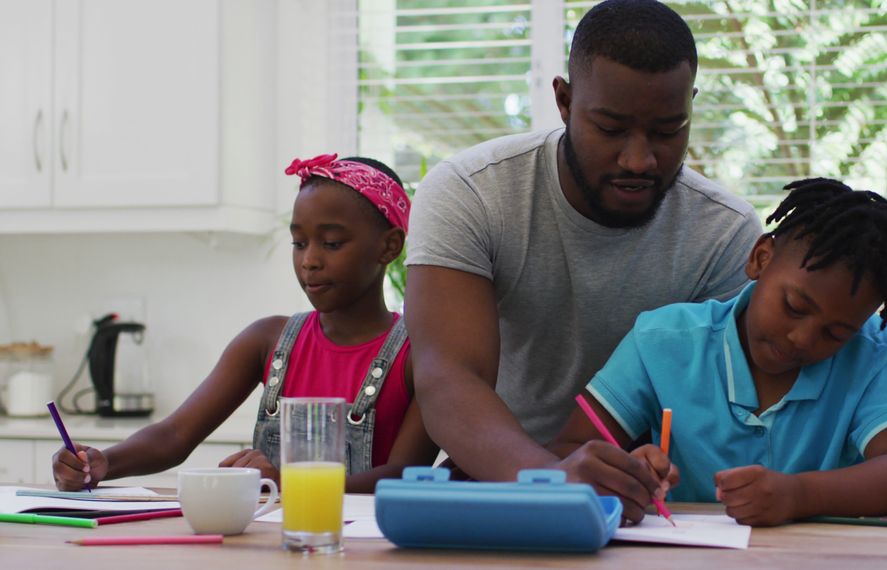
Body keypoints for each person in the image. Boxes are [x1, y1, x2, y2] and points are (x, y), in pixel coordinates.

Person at [403, 0, 762, 522]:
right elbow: (448, 378)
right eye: (612, 129)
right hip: (496, 484)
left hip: (650, 506)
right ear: (564, 101)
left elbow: (723, 414)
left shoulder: (725, 234)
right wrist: (549, 481)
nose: (639, 159)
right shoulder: (471, 192)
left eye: (666, 132)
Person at [550, 178, 887, 527]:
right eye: (794, 307)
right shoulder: (662, 340)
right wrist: (624, 474)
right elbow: (569, 452)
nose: (803, 339)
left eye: (835, 333)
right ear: (760, 258)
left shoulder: (873, 352)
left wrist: (797, 495)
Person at [52, 154, 439, 493]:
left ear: (389, 246)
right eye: (299, 243)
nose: (310, 261)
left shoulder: (421, 353)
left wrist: (289, 482)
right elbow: (174, 435)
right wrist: (104, 462)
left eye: (332, 243)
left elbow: (406, 474)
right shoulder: (266, 341)